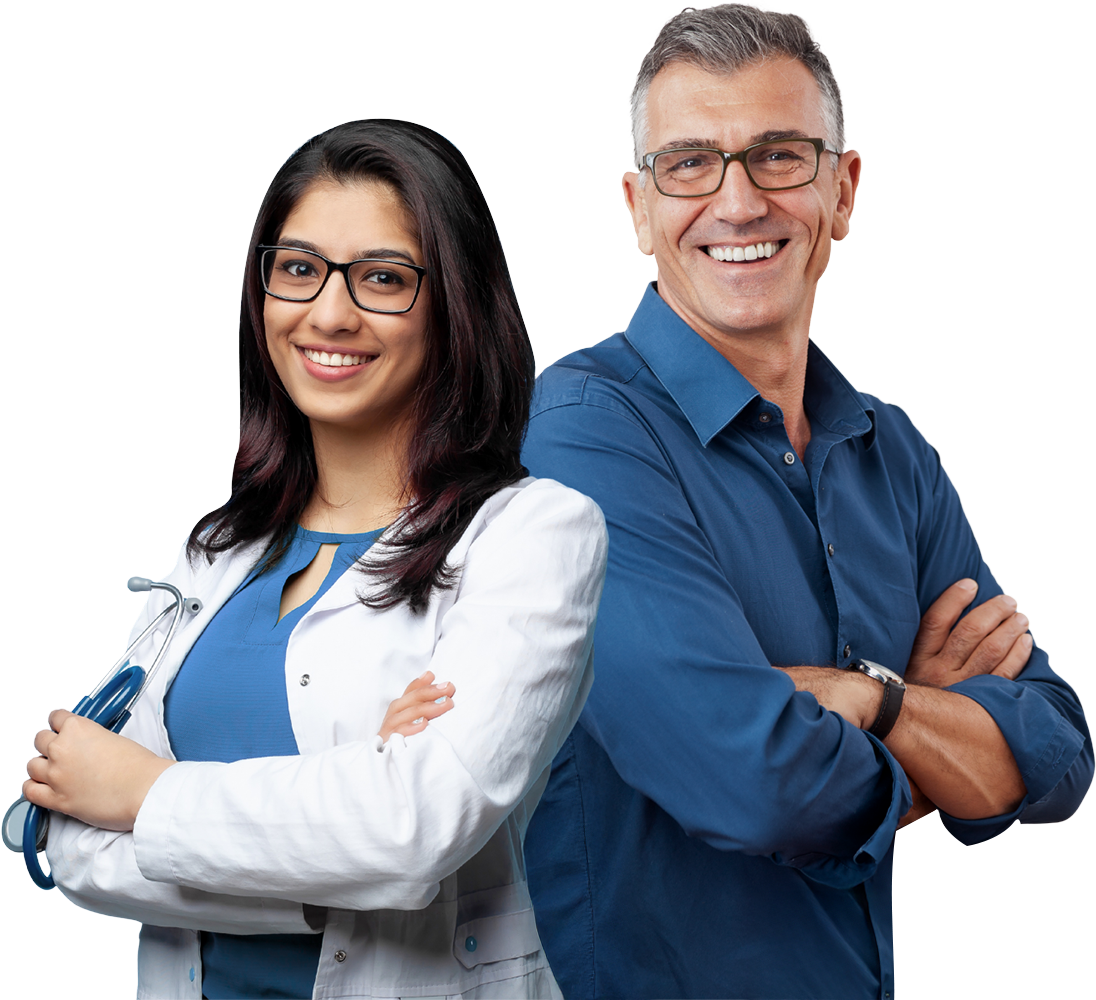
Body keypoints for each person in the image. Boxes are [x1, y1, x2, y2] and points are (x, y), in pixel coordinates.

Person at [520, 6, 1094, 1000]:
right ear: (637, 205)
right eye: (689, 163)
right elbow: (755, 783)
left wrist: (865, 698)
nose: (737, 202)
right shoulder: (580, 436)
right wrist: (931, 730)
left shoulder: (890, 450)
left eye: (779, 155)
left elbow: (1053, 752)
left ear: (842, 187)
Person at [22, 119, 607, 1000]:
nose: (328, 313)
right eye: (298, 269)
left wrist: (147, 794)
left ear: (455, 300)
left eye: (382, 279)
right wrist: (339, 826)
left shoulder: (534, 535)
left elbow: (412, 829)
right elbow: (62, 839)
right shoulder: (218, 551)